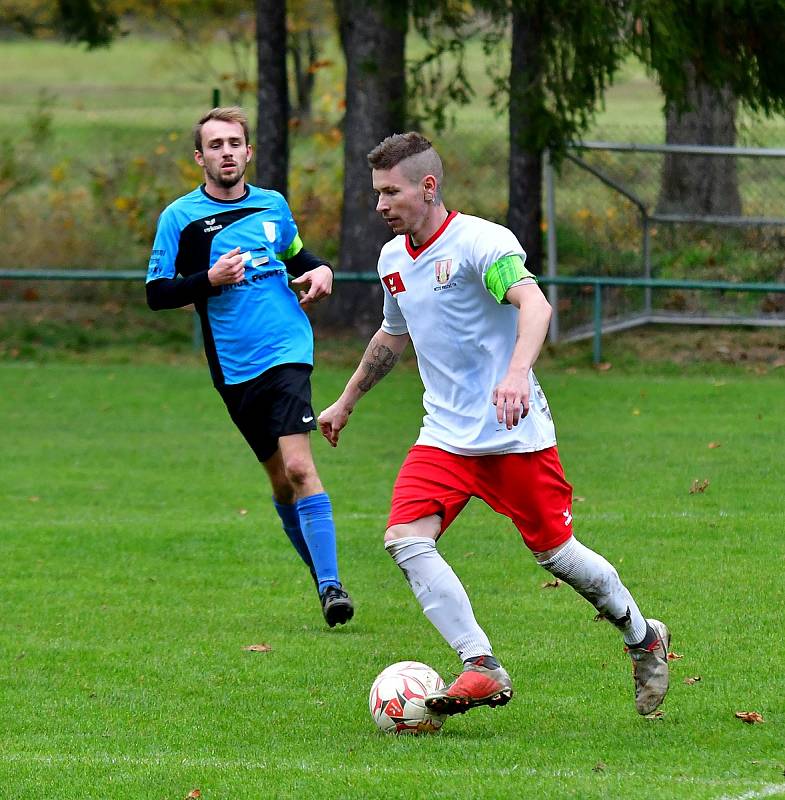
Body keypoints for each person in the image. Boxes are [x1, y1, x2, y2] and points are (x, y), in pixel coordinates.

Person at [318, 132, 669, 714]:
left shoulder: (483, 243)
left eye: (390, 192)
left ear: (427, 188)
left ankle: (642, 637)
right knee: (405, 540)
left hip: (513, 434)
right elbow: (392, 334)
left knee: (558, 555)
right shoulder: (391, 259)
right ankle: (480, 664)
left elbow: (536, 304)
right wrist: (347, 399)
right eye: (375, 192)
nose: (379, 204)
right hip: (444, 438)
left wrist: (515, 374)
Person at [145, 106, 353, 628]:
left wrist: (322, 268)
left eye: (235, 143)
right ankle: (322, 578)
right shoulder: (180, 220)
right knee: (281, 482)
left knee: (301, 467)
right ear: (200, 157)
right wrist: (208, 279)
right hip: (233, 369)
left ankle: (332, 586)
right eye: (215, 145)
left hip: (286, 350)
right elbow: (156, 293)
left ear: (248, 151)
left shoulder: (273, 206)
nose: (227, 152)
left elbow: (299, 255)